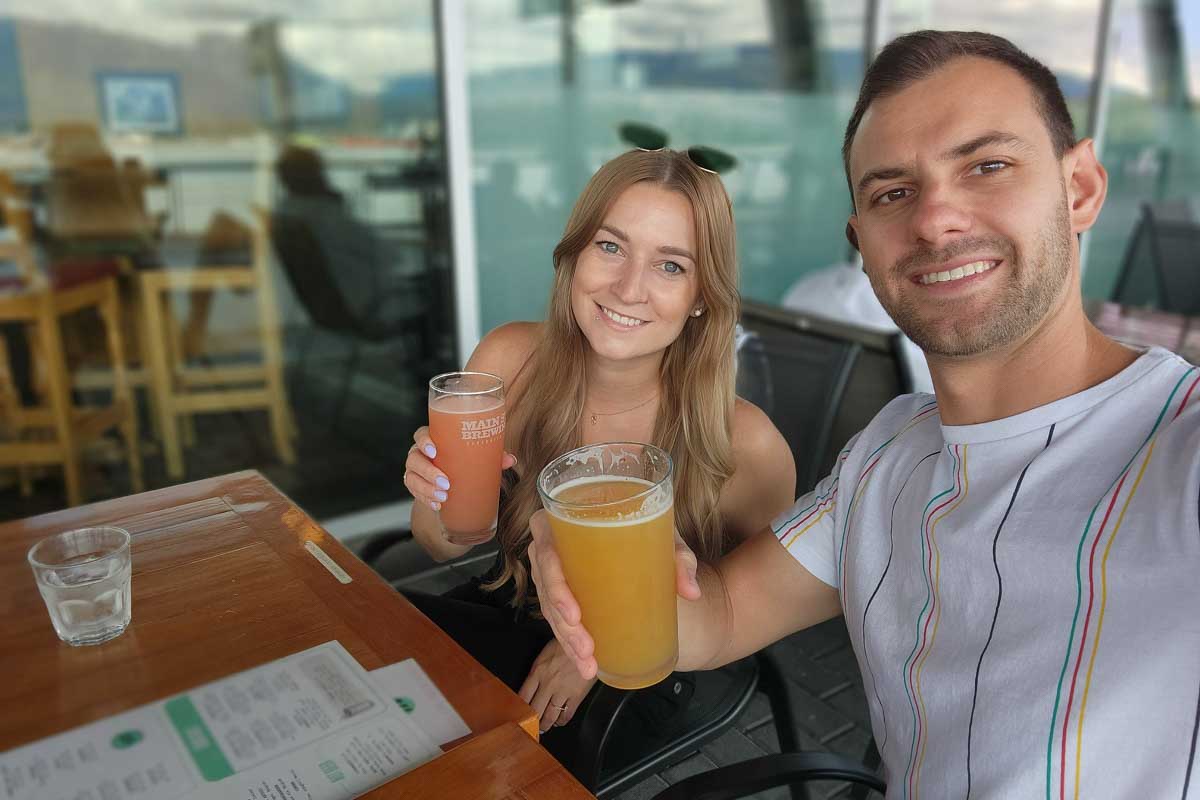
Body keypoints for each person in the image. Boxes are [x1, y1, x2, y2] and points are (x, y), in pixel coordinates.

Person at [531, 30, 1200, 798]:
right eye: (891, 193)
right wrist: (614, 574)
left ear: (1078, 187)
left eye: (987, 165)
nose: (936, 219)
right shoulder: (884, 456)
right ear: (862, 243)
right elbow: (716, 617)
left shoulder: (1176, 453)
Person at [401, 149, 796, 748]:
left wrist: (590, 649)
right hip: (507, 606)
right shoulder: (510, 362)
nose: (628, 287)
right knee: (374, 660)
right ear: (574, 259)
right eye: (610, 247)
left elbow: (749, 611)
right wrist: (438, 497)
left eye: (670, 266)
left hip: (645, 670)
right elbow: (439, 541)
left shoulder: (746, 441)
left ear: (699, 297)